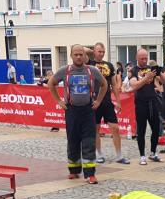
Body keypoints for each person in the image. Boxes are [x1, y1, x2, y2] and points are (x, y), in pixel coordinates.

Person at [48, 44, 107, 184]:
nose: (79, 57)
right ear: (71, 56)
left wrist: (98, 101)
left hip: (88, 111)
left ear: (85, 56)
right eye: (76, 54)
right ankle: (74, 170)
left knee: (88, 141)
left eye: (81, 54)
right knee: (73, 140)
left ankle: (90, 174)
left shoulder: (92, 70)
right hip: (71, 111)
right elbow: (51, 84)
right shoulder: (65, 71)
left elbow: (104, 84)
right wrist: (59, 101)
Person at [88, 42, 129, 165]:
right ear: (94, 51)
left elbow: (114, 85)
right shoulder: (89, 64)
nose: (101, 54)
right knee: (96, 129)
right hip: (94, 101)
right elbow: (81, 49)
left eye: (103, 51)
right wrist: (91, 51)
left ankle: (119, 155)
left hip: (107, 101)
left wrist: (118, 101)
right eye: (99, 51)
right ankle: (99, 154)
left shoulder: (109, 65)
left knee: (115, 128)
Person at [129, 49, 162, 165]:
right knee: (141, 130)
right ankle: (142, 155)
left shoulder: (151, 68)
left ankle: (153, 153)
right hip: (141, 103)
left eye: (146, 58)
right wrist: (146, 78)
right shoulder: (133, 70)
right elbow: (134, 86)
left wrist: (160, 72)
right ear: (137, 58)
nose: (144, 60)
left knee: (156, 129)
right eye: (142, 58)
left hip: (152, 102)